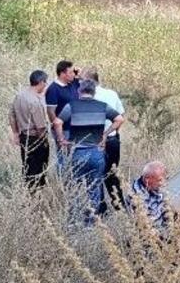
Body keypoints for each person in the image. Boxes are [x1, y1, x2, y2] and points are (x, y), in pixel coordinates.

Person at [54, 79, 125, 223]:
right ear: (94, 92)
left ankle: (74, 221)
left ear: (79, 91)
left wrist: (61, 140)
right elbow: (119, 119)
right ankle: (91, 223)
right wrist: (105, 134)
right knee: (94, 188)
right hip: (96, 152)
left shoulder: (72, 106)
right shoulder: (102, 106)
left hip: (77, 152)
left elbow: (57, 122)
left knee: (74, 187)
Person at [81, 67, 126, 210]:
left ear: (88, 81)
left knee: (95, 176)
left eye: (82, 80)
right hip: (113, 140)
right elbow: (121, 116)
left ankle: (101, 209)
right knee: (112, 175)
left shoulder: (88, 97)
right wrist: (112, 133)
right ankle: (119, 206)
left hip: (95, 142)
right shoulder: (111, 93)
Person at [9, 70, 50, 192]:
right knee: (39, 170)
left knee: (27, 167)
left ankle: (27, 193)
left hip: (23, 136)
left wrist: (16, 133)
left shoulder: (20, 95)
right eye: (45, 82)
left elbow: (11, 115)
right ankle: (36, 194)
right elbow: (41, 127)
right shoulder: (35, 102)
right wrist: (44, 142)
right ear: (41, 82)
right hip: (36, 138)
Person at [45, 60, 80, 149]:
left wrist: (77, 71)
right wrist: (59, 134)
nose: (73, 74)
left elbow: (86, 78)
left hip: (75, 127)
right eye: (71, 72)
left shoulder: (73, 83)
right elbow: (50, 111)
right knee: (64, 157)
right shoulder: (53, 89)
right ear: (63, 74)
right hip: (64, 129)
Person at [128, 161, 169, 233]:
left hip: (165, 224)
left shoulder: (151, 185)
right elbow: (150, 227)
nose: (163, 183)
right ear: (147, 180)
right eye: (159, 180)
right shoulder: (138, 198)